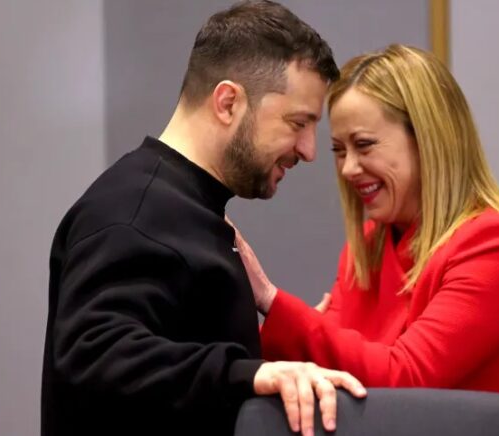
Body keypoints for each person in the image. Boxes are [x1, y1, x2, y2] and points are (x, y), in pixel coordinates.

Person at [41, 2, 366, 436]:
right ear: (228, 102)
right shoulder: (134, 211)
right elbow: (94, 352)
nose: (308, 150)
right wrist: (247, 374)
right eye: (297, 123)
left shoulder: (182, 207)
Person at [238, 44, 499, 433]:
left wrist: (271, 300)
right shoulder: (368, 246)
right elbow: (327, 364)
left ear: (429, 139)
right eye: (339, 150)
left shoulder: (498, 249)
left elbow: (407, 379)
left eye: (364, 145)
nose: (349, 168)